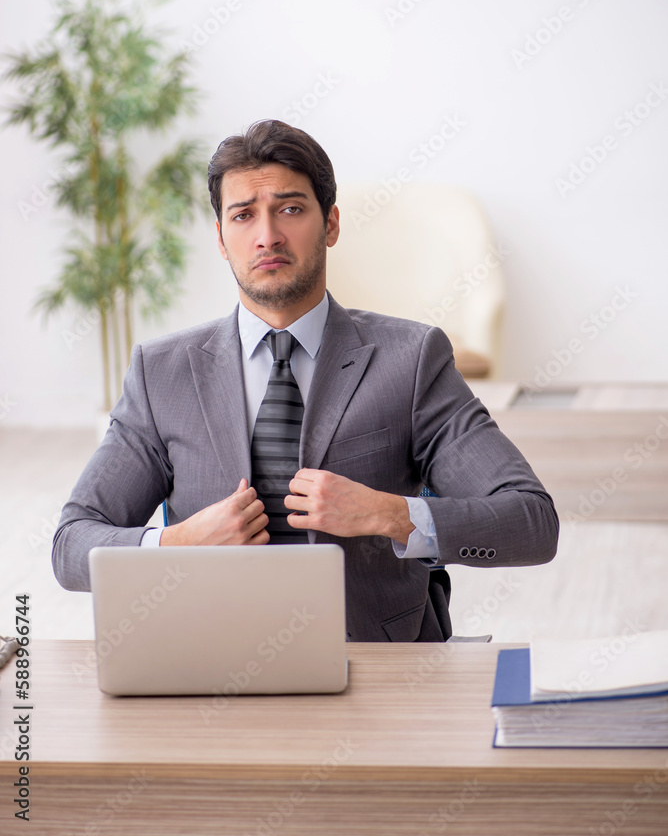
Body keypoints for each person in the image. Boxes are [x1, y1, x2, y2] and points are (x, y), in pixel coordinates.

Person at [52, 119, 559, 642]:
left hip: (374, 668)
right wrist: (177, 543)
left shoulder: (411, 361)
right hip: (208, 663)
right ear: (223, 240)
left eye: (290, 209)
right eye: (243, 215)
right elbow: (71, 545)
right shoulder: (162, 374)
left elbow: (531, 524)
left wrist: (391, 514)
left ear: (331, 224)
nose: (267, 235)